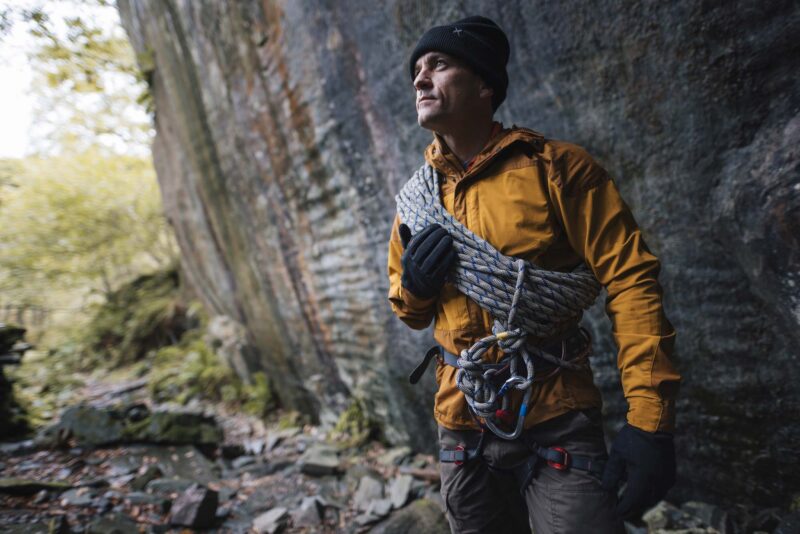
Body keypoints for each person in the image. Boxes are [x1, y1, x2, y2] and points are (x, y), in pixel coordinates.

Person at [386, 15, 682, 534]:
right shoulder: (417, 201)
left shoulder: (558, 169)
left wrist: (649, 424)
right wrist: (415, 285)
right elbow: (409, 313)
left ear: (484, 85)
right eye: (417, 69)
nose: (420, 78)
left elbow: (632, 279)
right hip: (462, 423)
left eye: (439, 64)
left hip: (556, 416)